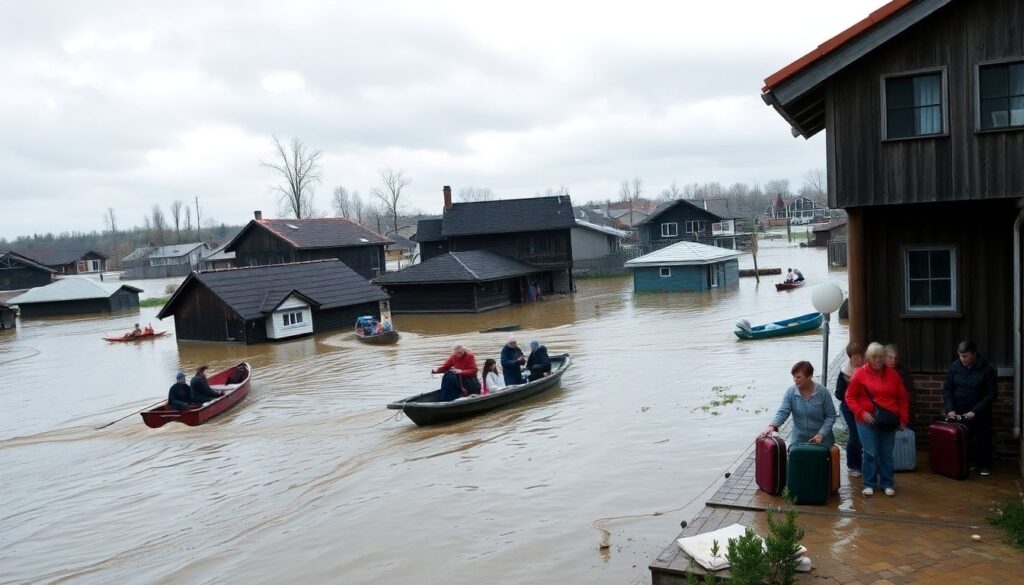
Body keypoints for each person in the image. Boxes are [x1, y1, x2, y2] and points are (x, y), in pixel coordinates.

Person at [845, 342, 910, 497]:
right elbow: (849, 396)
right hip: (866, 420)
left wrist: (903, 419)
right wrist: (861, 412)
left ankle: (887, 483)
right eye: (874, 357)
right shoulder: (860, 374)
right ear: (868, 357)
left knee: (886, 452)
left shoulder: (893, 375)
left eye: (881, 357)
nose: (878, 360)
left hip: (888, 420)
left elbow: (902, 398)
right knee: (870, 452)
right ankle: (869, 483)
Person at [942, 340, 997, 476]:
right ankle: (970, 461)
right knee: (965, 439)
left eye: (965, 356)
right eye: (960, 356)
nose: (962, 359)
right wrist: (950, 409)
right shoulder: (954, 367)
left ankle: (985, 465)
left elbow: (991, 394)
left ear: (973, 354)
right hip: (959, 410)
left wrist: (975, 411)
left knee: (983, 438)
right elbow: (947, 389)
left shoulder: (987, 369)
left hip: (980, 411)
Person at [761, 361, 836, 447]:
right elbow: (783, 412)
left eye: (798, 377)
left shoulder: (823, 392)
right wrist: (772, 426)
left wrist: (821, 434)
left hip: (823, 440)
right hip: (799, 440)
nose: (795, 380)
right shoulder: (791, 392)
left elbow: (831, 416)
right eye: (794, 377)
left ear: (809, 377)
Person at [834, 342, 866, 477]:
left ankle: (865, 464)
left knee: (865, 436)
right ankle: (853, 465)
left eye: (860, 356)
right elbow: (839, 394)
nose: (858, 359)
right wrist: (851, 388)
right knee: (855, 435)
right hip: (848, 408)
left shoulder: (868, 370)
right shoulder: (844, 372)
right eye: (855, 357)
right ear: (850, 357)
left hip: (864, 407)